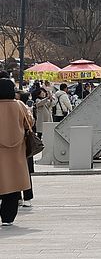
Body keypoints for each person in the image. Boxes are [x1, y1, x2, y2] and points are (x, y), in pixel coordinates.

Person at [0, 79, 34, 226]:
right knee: (12, 185)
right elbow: (30, 123)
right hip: (15, 152)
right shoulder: (19, 105)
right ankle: (8, 218)